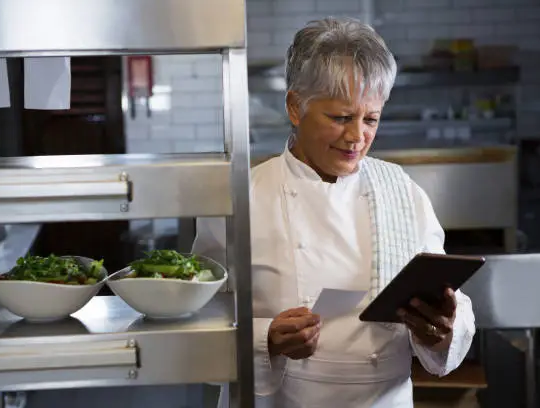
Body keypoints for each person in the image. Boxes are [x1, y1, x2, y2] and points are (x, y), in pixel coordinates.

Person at [193, 17, 475, 408]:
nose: (357, 136)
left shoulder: (403, 191)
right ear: (295, 106)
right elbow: (199, 322)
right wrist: (266, 340)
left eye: (371, 118)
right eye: (341, 117)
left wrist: (441, 328)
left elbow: (452, 306)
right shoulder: (241, 199)